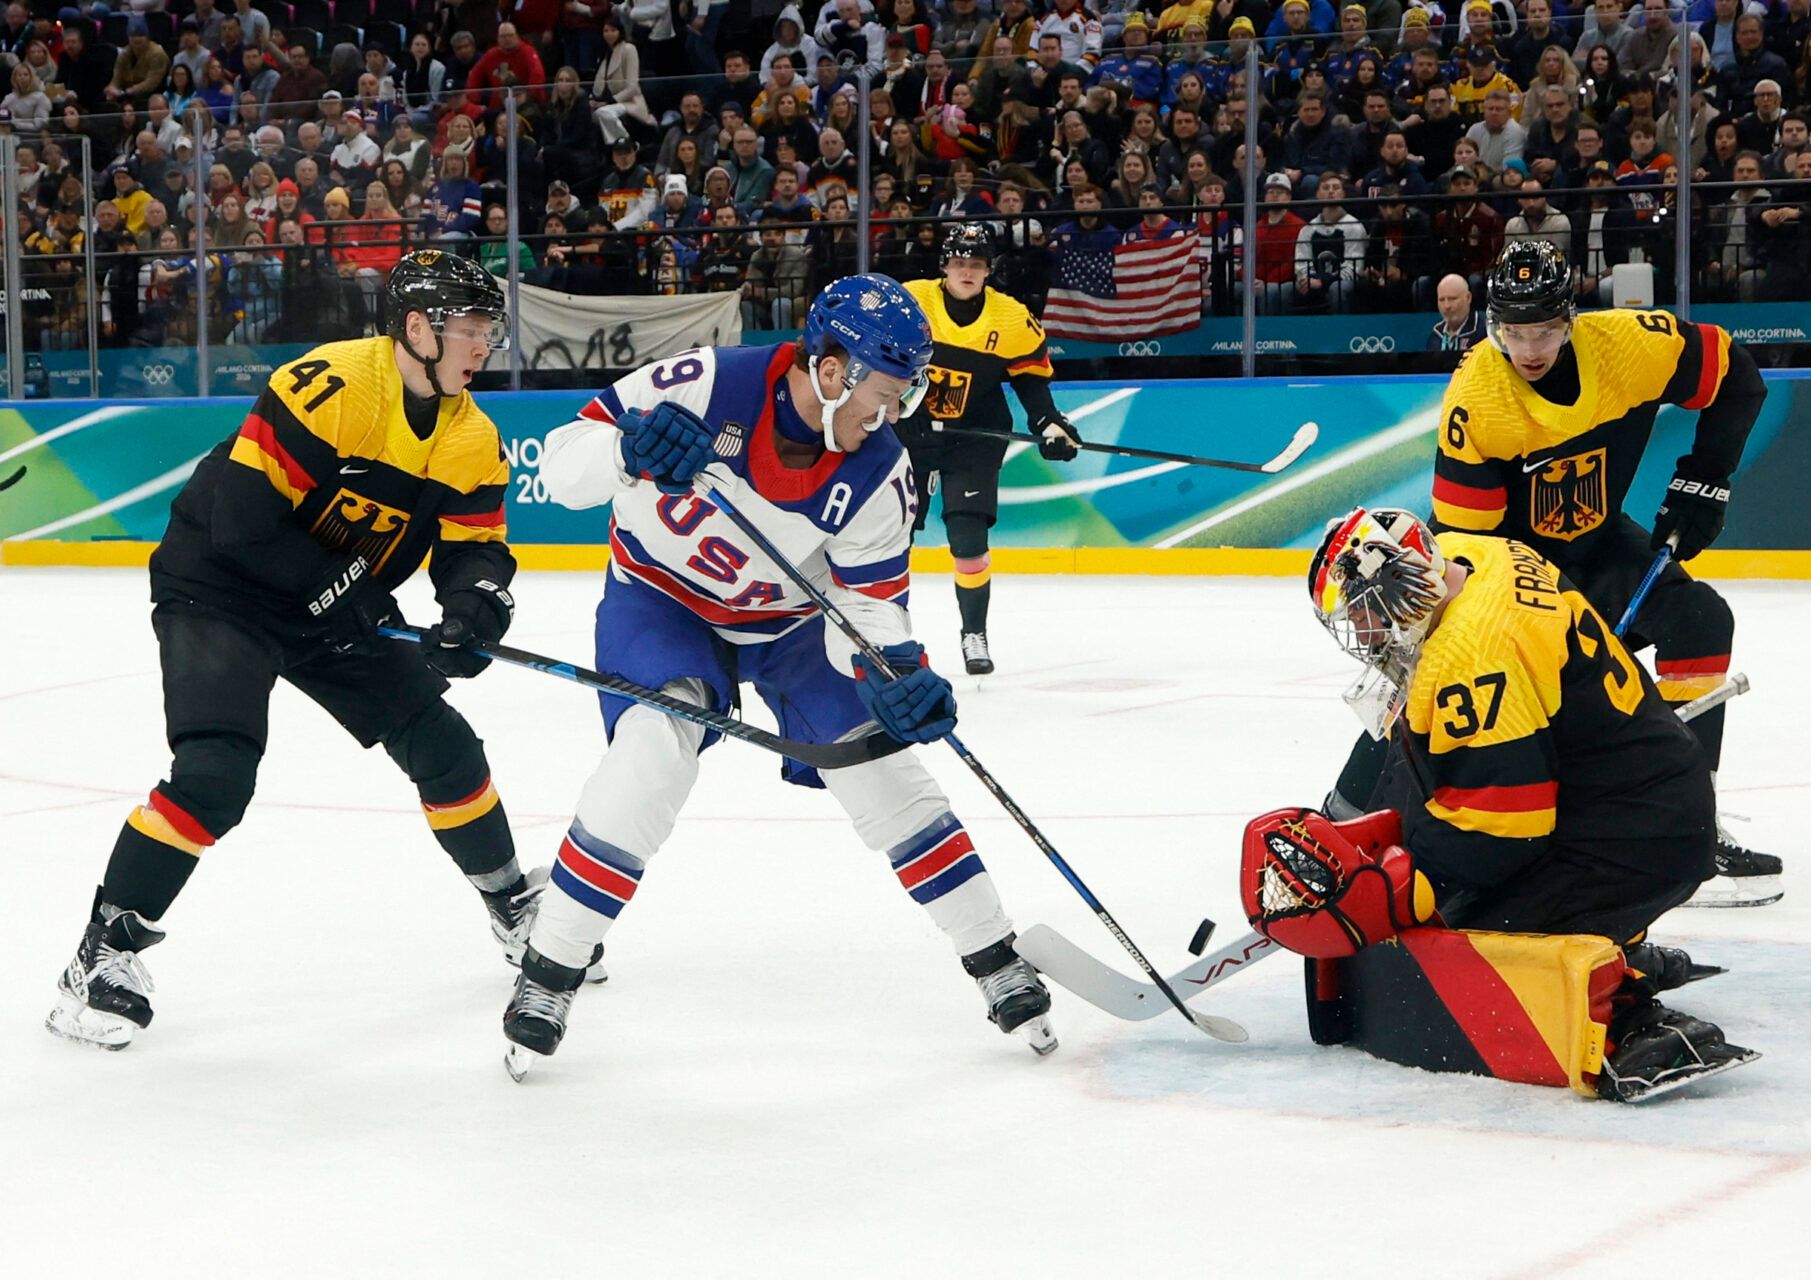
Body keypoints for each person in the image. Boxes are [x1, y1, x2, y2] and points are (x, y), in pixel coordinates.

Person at [508, 275, 1056, 1077]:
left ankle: (995, 955)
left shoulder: (878, 468)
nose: (893, 414)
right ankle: (549, 970)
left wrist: (900, 672)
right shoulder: (701, 384)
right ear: (831, 370)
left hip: (789, 625)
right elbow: (561, 469)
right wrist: (626, 451)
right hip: (661, 603)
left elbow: (870, 608)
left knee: (881, 764)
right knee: (650, 757)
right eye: (885, 394)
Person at [45, 252, 559, 1051]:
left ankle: (511, 905)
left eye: (489, 327)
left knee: (445, 746)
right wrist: (347, 591)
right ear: (417, 328)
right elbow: (243, 525)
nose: (484, 341)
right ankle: (103, 951)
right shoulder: (333, 385)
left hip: (331, 602)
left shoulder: (472, 436)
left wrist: (472, 608)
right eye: (471, 327)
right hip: (221, 586)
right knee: (215, 772)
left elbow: (474, 548)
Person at [1332, 240, 1778, 907]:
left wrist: (1705, 477)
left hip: (1597, 545)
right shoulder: (1477, 397)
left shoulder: (1632, 347)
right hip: (1507, 564)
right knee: (1448, 678)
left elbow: (1736, 375)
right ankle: (1350, 810)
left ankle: (1689, 823)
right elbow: (1467, 547)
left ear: (1570, 319)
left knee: (1700, 620)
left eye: (1543, 329)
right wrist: (1512, 628)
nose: (1530, 347)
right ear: (1493, 327)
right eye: (1514, 331)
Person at [1273, 506, 1758, 1101]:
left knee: (1458, 928)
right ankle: (1612, 936)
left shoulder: (1470, 658)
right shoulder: (1477, 555)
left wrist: (1401, 888)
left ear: (1405, 584)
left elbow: (1501, 835)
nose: (1365, 632)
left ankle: (1627, 1012)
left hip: (1641, 837)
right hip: (1623, 789)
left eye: (1366, 612)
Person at [894, 224, 1081, 676]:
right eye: (958, 262)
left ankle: (973, 632)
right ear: (944, 267)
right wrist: (893, 405)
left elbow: (1031, 378)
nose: (967, 271)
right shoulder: (911, 300)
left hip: (974, 437)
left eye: (976, 264)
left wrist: (1049, 422)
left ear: (987, 271)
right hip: (911, 436)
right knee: (894, 536)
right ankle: (889, 632)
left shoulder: (1010, 317)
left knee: (968, 537)